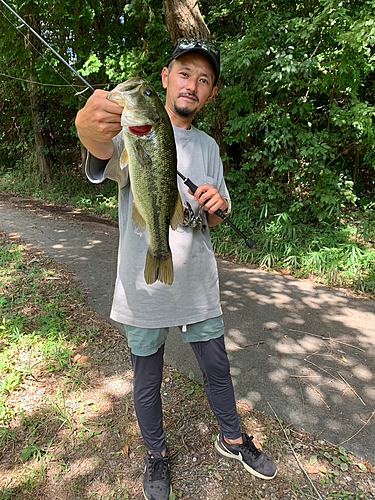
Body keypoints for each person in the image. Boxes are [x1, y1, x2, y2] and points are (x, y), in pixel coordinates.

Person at [75, 38, 277, 500]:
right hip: (142, 284)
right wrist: (89, 132)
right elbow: (99, 160)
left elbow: (213, 217)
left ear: (210, 94)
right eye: (184, 73)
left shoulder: (207, 146)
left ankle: (232, 439)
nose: (192, 84)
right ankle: (156, 454)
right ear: (166, 78)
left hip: (197, 281)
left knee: (217, 367)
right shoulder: (134, 131)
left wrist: (215, 205)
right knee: (147, 375)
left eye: (203, 80)